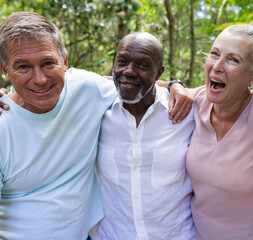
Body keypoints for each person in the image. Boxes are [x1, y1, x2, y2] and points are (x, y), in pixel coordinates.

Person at [0, 12, 190, 240]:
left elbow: (130, 80)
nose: (39, 78)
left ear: (65, 62)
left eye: (48, 63)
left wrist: (175, 84)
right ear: (5, 70)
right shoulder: (4, 124)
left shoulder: (87, 89)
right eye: (23, 67)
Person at [185, 23, 253, 239]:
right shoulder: (197, 101)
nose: (217, 66)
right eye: (214, 54)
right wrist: (175, 85)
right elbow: (146, 84)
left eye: (233, 60)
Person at [89, 32, 195, 239]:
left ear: (159, 72)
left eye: (142, 65)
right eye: (122, 62)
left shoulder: (186, 111)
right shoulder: (97, 106)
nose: (128, 71)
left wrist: (176, 84)